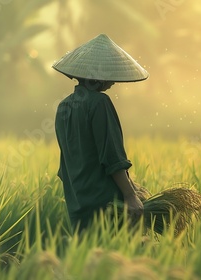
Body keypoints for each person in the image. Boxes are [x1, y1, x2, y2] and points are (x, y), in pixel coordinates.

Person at [52, 34, 149, 233]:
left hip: (78, 203)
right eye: (108, 74)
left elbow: (68, 162)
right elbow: (112, 157)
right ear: (97, 76)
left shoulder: (63, 107)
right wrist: (130, 195)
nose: (113, 81)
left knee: (88, 260)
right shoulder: (99, 103)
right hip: (107, 206)